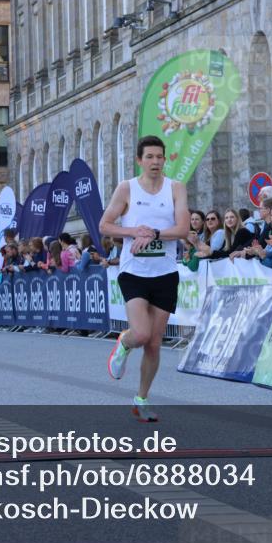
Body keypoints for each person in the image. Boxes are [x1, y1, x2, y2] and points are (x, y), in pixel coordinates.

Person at [99, 135, 190, 422]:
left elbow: (183, 228)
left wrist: (156, 233)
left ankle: (141, 399)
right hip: (134, 272)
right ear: (139, 160)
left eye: (159, 157)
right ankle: (124, 343)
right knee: (141, 334)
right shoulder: (127, 188)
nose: (155, 162)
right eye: (149, 157)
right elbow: (105, 225)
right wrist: (135, 231)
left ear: (165, 159)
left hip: (165, 272)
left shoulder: (175, 188)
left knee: (154, 342)